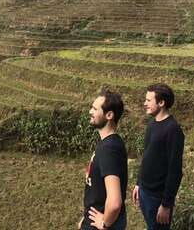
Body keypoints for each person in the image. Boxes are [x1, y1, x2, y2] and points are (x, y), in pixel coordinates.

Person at [133, 84, 184, 230]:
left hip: (157, 197)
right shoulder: (152, 124)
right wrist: (138, 183)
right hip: (144, 191)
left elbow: (175, 170)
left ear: (161, 103)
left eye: (149, 100)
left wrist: (166, 205)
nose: (145, 103)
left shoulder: (173, 130)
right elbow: (147, 156)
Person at [79, 90, 128, 230]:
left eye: (95, 109)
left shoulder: (109, 149)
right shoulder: (109, 143)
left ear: (109, 115)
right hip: (95, 218)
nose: (90, 111)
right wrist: (85, 219)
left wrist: (105, 223)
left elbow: (114, 202)